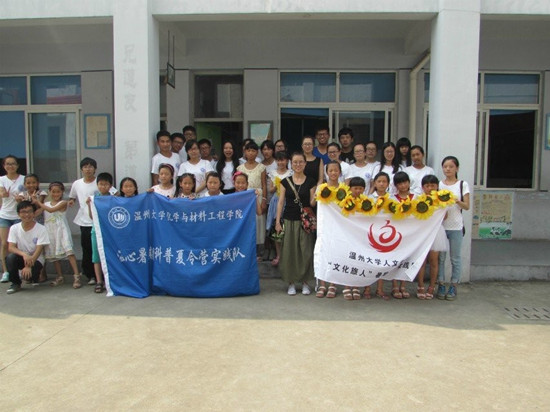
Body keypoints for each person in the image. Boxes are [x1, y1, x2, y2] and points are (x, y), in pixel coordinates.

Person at [275, 152, 317, 296]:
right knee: (289, 252)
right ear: (291, 164)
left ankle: (305, 282)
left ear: (305, 164)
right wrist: (277, 221)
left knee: (305, 251)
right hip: (289, 219)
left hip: (304, 222)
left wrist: (319, 195)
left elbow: (312, 203)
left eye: (300, 162)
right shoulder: (285, 182)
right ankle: (291, 283)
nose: (298, 165)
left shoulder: (311, 181)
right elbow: (281, 202)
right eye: (295, 162)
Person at [33, 182, 81, 288]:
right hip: (50, 231)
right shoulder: (46, 204)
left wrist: (38, 202)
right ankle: (59, 276)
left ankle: (76, 276)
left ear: (62, 192)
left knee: (69, 252)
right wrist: (32, 202)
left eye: (58, 191)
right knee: (54, 255)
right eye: (53, 192)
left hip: (61, 230)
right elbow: (36, 213)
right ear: (49, 192)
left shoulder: (63, 203)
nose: (55, 194)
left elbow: (51, 210)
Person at [437, 156, 470, 301]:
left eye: (451, 166)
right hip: (441, 226)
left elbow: (467, 206)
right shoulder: (439, 185)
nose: (448, 169)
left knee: (455, 258)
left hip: (456, 226)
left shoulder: (462, 184)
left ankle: (454, 285)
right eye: (445, 167)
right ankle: (441, 283)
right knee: (441, 258)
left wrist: (456, 200)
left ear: (457, 168)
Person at [5, 200, 50, 294]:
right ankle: (15, 283)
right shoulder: (14, 228)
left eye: (29, 211)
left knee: (31, 275)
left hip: (36, 259)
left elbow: (39, 250)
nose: (27, 215)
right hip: (23, 257)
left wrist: (28, 266)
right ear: (18, 214)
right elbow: (11, 247)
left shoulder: (41, 229)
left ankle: (33, 277)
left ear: (34, 213)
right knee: (10, 258)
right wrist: (24, 254)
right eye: (23, 212)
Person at [415, 175, 448, 300]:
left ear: (437, 186)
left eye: (432, 186)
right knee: (421, 261)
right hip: (422, 232)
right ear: (423, 187)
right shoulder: (418, 200)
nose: (430, 188)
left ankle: (432, 286)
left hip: (436, 232)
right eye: (427, 186)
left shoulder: (441, 200)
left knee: (434, 260)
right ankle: (420, 285)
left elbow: (445, 217)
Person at [68, 157, 99, 285]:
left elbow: (114, 194)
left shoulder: (100, 181)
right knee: (87, 248)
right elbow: (72, 197)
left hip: (98, 221)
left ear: (95, 169)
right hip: (84, 221)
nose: (88, 169)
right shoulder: (77, 183)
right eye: (85, 167)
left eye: (90, 166)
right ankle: (89, 274)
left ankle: (100, 274)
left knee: (97, 248)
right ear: (81, 169)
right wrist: (71, 201)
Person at [313, 161, 341, 298]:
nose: (333, 173)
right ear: (326, 172)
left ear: (340, 172)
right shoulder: (321, 188)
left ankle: (333, 284)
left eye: (336, 170)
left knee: (335, 254)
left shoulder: (344, 189)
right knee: (322, 253)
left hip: (338, 227)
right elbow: (313, 202)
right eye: (331, 170)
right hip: (324, 226)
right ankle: (322, 284)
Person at [237, 141, 267, 255]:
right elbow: (237, 184)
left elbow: (264, 184)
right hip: (244, 197)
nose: (250, 153)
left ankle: (259, 250)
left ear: (257, 152)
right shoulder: (240, 168)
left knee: (258, 222)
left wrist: (264, 200)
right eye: (248, 150)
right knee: (246, 222)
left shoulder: (261, 167)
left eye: (253, 150)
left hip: (257, 196)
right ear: (245, 152)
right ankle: (247, 248)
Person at [86, 172, 114, 293]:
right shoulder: (94, 199)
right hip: (96, 231)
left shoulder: (113, 198)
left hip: (110, 232)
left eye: (106, 184)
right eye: (101, 184)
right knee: (96, 256)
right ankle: (99, 281)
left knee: (111, 255)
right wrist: (89, 205)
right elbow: (92, 217)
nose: (103, 187)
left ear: (110, 186)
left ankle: (111, 280)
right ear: (97, 185)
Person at [0, 155, 25, 283]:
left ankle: (19, 269)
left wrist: (21, 198)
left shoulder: (23, 179)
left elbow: (27, 194)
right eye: (8, 164)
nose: (10, 166)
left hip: (19, 216)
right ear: (4, 166)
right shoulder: (1, 179)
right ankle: (5, 271)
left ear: (17, 165)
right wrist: (3, 194)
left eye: (13, 163)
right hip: (5, 215)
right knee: (4, 244)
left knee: (18, 244)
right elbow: (1, 193)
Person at [342, 177, 367, 301]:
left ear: (364, 189)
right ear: (350, 189)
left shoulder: (367, 202)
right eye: (355, 188)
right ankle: (347, 286)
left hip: (361, 236)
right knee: (348, 260)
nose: (358, 191)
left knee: (359, 261)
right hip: (347, 235)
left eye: (360, 188)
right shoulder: (345, 201)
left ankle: (356, 286)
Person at [367, 172, 391, 301]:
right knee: (369, 262)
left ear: (388, 184)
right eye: (379, 181)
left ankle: (380, 289)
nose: (381, 184)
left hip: (386, 234)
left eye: (384, 181)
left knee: (382, 262)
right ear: (374, 183)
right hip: (371, 233)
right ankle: (367, 288)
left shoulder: (392, 199)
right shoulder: (369, 199)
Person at [390, 171, 414, 299]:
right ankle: (394, 285)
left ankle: (403, 285)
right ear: (396, 185)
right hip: (396, 233)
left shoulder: (417, 198)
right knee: (396, 259)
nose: (403, 186)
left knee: (407, 259)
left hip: (411, 234)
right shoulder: (391, 199)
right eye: (399, 183)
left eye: (405, 182)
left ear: (409, 183)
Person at [266, 151, 292, 267]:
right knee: (276, 230)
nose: (281, 162)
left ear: (287, 161)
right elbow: (270, 190)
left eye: (283, 160)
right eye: (278, 160)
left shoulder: (291, 173)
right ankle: (278, 255)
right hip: (276, 201)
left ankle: (288, 256)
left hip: (288, 201)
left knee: (287, 229)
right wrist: (278, 185)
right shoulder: (272, 173)